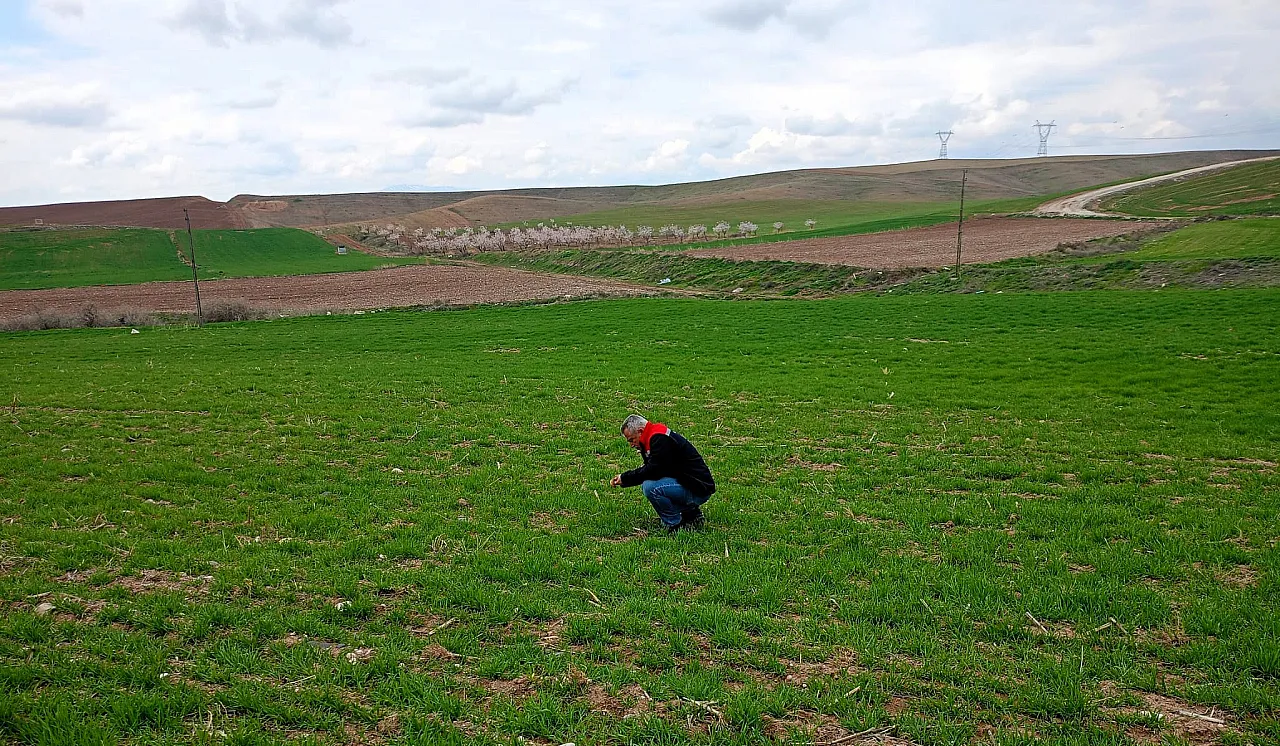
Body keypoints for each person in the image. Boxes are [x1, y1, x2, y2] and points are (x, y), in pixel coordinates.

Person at [609, 414, 716, 533]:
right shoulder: (654, 436)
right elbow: (656, 469)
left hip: (698, 489)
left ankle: (675, 524)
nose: (631, 445)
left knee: (650, 487)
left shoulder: (659, 438)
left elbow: (653, 471)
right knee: (655, 483)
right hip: (695, 485)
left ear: (640, 431)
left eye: (632, 440)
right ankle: (691, 513)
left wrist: (624, 478)